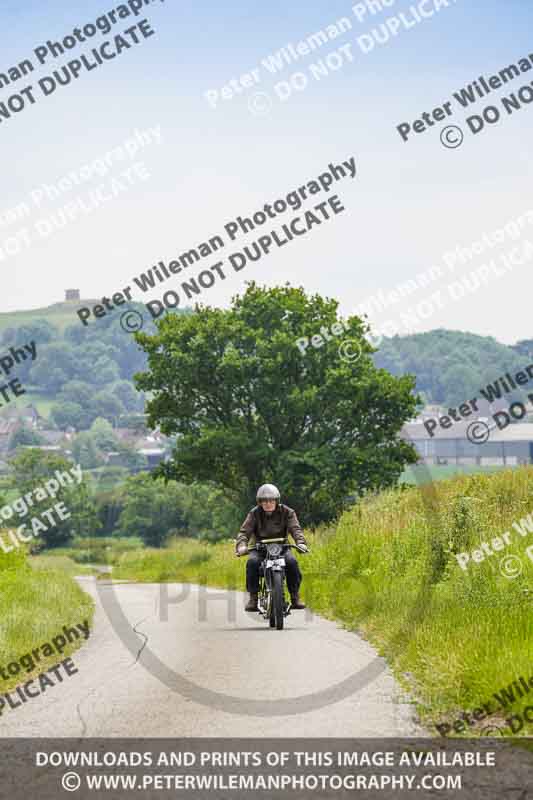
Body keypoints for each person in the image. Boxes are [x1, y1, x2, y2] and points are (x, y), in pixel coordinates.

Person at [235, 483, 309, 612]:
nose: (268, 504)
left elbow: (295, 529)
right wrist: (242, 545)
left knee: (292, 562)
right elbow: (244, 532)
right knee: (252, 563)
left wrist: (300, 542)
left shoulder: (288, 512)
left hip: (282, 547)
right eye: (264, 501)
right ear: (260, 502)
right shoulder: (254, 514)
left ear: (276, 501)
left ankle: (295, 597)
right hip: (260, 548)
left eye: (271, 500)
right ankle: (253, 598)